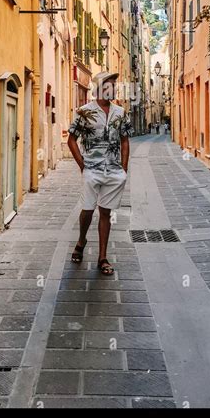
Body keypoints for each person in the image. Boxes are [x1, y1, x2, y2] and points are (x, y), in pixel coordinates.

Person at [67, 71, 133, 276]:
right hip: (92, 170)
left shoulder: (121, 113)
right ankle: (81, 240)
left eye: (114, 85)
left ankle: (102, 257)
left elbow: (124, 141)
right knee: (87, 209)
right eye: (109, 85)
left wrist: (124, 169)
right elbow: (71, 140)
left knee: (106, 213)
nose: (113, 88)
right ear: (98, 88)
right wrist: (82, 165)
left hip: (113, 171)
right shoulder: (83, 112)